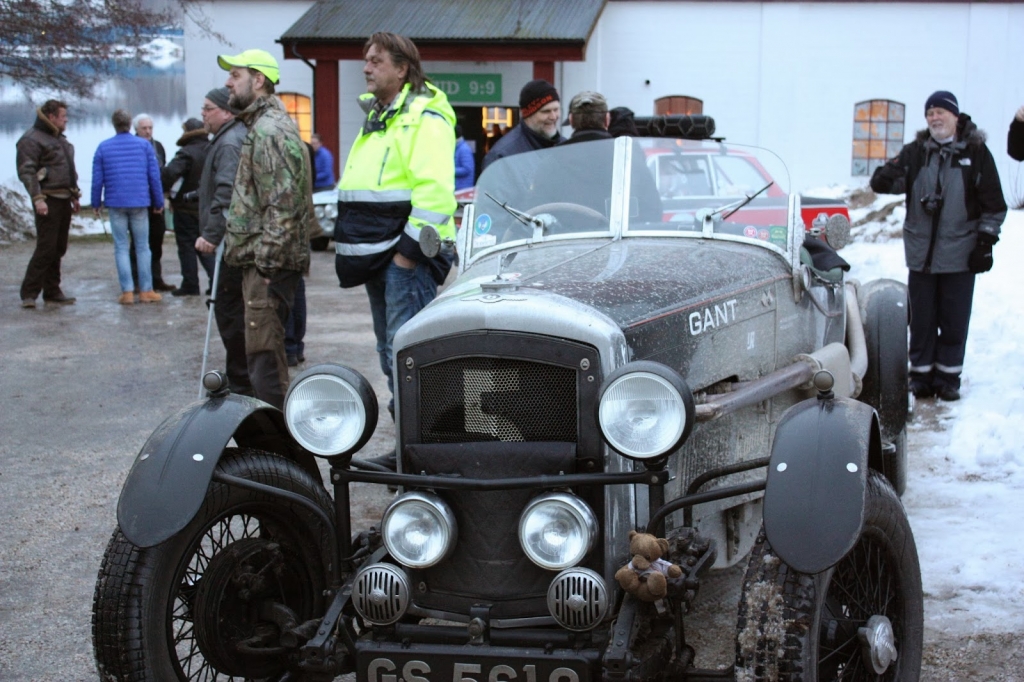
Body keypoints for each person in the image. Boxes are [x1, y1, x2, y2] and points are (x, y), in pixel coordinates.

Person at [334, 31, 457, 421]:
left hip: (404, 256)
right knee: (392, 354)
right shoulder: (381, 116)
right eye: (366, 60)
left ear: (403, 69)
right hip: (380, 253)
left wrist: (407, 257)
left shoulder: (423, 117)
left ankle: (426, 448)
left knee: (407, 356)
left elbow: (435, 194)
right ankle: (411, 444)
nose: (366, 68)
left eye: (376, 61)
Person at [870, 90, 1006, 401]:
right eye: (930, 113)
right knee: (921, 320)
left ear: (955, 116)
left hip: (961, 254)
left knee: (954, 319)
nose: (934, 117)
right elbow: (882, 183)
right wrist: (889, 170)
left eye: (940, 112)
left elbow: (994, 205)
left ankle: (948, 379)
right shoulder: (917, 153)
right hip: (921, 255)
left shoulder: (976, 152)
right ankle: (920, 378)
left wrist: (985, 241)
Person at [219, 49, 314, 410]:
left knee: (266, 366)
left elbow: (284, 205)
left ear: (258, 80)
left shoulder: (270, 130)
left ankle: (286, 453)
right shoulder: (260, 126)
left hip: (268, 269)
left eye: (236, 74)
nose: (229, 82)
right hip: (261, 265)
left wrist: (266, 267)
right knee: (261, 360)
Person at [195, 87, 251, 395]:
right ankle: (240, 374)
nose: (203, 113)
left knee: (230, 310)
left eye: (208, 108)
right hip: (230, 240)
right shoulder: (226, 138)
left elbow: (226, 192)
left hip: (229, 244)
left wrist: (212, 234)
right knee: (232, 310)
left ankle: (241, 380)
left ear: (226, 112)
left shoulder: (229, 142)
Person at [531, 91, 661, 225]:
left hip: (565, 243)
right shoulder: (628, 158)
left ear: (571, 120)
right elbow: (653, 211)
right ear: (607, 119)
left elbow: (534, 215)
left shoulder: (551, 162)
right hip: (620, 243)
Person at [91, 109, 165, 304]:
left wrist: (96, 202)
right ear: (131, 124)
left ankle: (127, 291)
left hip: (116, 202)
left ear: (114, 124)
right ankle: (146, 290)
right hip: (140, 201)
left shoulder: (103, 147)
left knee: (121, 247)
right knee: (142, 246)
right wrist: (158, 202)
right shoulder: (144, 146)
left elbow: (97, 179)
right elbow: (154, 177)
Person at [16, 99, 81, 308]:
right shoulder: (31, 139)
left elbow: (68, 169)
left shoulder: (59, 139)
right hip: (48, 199)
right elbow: (27, 172)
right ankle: (29, 293)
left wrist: (74, 194)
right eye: (63, 116)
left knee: (59, 247)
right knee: (46, 247)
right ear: (52, 117)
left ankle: (52, 290)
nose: (66, 120)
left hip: (63, 198)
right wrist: (38, 198)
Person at [162, 118, 213, 296]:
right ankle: (215, 282)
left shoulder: (186, 153)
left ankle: (191, 284)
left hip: (185, 207)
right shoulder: (214, 149)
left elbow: (170, 174)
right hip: (208, 208)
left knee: (187, 247)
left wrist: (164, 188)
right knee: (207, 245)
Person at [130, 114, 173, 292]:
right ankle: (136, 280)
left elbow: (162, 171)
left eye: (150, 128)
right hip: (139, 199)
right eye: (144, 129)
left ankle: (156, 278)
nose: (148, 132)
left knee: (156, 240)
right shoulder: (132, 146)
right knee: (138, 242)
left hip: (157, 198)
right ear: (136, 130)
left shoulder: (158, 146)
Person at [481, 79, 562, 171]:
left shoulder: (566, 147)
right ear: (528, 115)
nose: (553, 116)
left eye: (556, 110)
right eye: (546, 111)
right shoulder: (502, 156)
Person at [454, 124, 475, 190]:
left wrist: (450, 170)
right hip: (459, 187)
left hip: (462, 189)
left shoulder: (464, 149)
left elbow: (467, 169)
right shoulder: (458, 147)